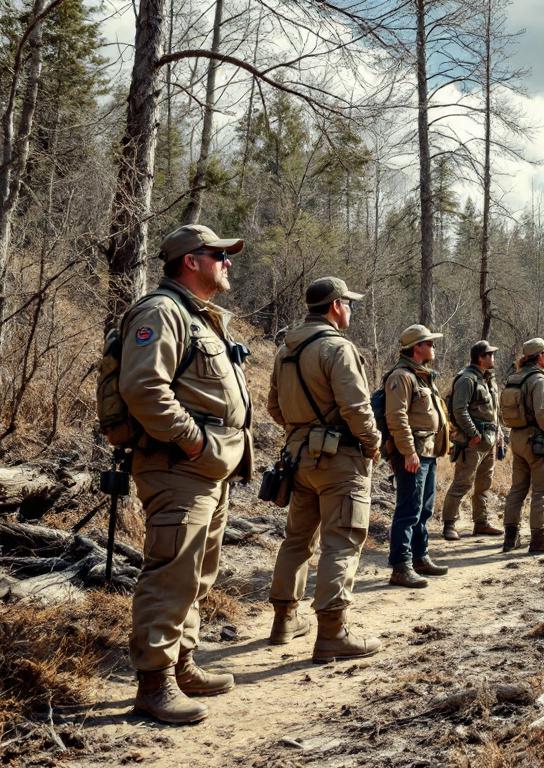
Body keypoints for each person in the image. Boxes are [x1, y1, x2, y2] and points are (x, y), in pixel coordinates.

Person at [122, 224, 250, 724]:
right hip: (179, 464)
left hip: (206, 466)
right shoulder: (161, 311)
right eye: (217, 254)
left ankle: (182, 664)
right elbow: (144, 389)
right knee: (172, 572)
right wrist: (194, 441)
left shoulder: (198, 316)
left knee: (197, 572)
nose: (227, 262)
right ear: (190, 261)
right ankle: (154, 684)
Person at [265, 276, 383, 664]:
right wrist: (372, 442)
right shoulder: (337, 348)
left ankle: (285, 621)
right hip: (340, 460)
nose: (350, 309)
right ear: (335, 306)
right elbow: (356, 407)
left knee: (297, 539)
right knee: (342, 541)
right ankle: (332, 634)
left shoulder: (286, 350)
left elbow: (274, 406)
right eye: (348, 303)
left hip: (298, 458)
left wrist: (301, 431)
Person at [384, 324, 451, 588]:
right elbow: (396, 417)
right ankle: (401, 566)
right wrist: (408, 451)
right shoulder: (401, 376)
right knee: (408, 510)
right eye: (429, 343)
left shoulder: (422, 376)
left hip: (428, 452)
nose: (433, 347)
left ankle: (420, 556)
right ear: (417, 347)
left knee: (424, 509)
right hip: (412, 453)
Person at [500, 338, 544, 554]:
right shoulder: (539, 381)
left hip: (517, 438)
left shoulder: (515, 378)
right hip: (538, 442)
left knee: (517, 489)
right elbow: (543, 414)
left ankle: (510, 539)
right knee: (542, 491)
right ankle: (539, 539)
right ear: (539, 356)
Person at [442, 340, 505, 541]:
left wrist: (500, 433)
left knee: (484, 484)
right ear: (481, 357)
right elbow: (458, 410)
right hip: (473, 442)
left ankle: (481, 523)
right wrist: (473, 434)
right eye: (490, 354)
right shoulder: (466, 379)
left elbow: (494, 412)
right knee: (462, 482)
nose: (493, 358)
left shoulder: (488, 380)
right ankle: (449, 524)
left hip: (490, 440)